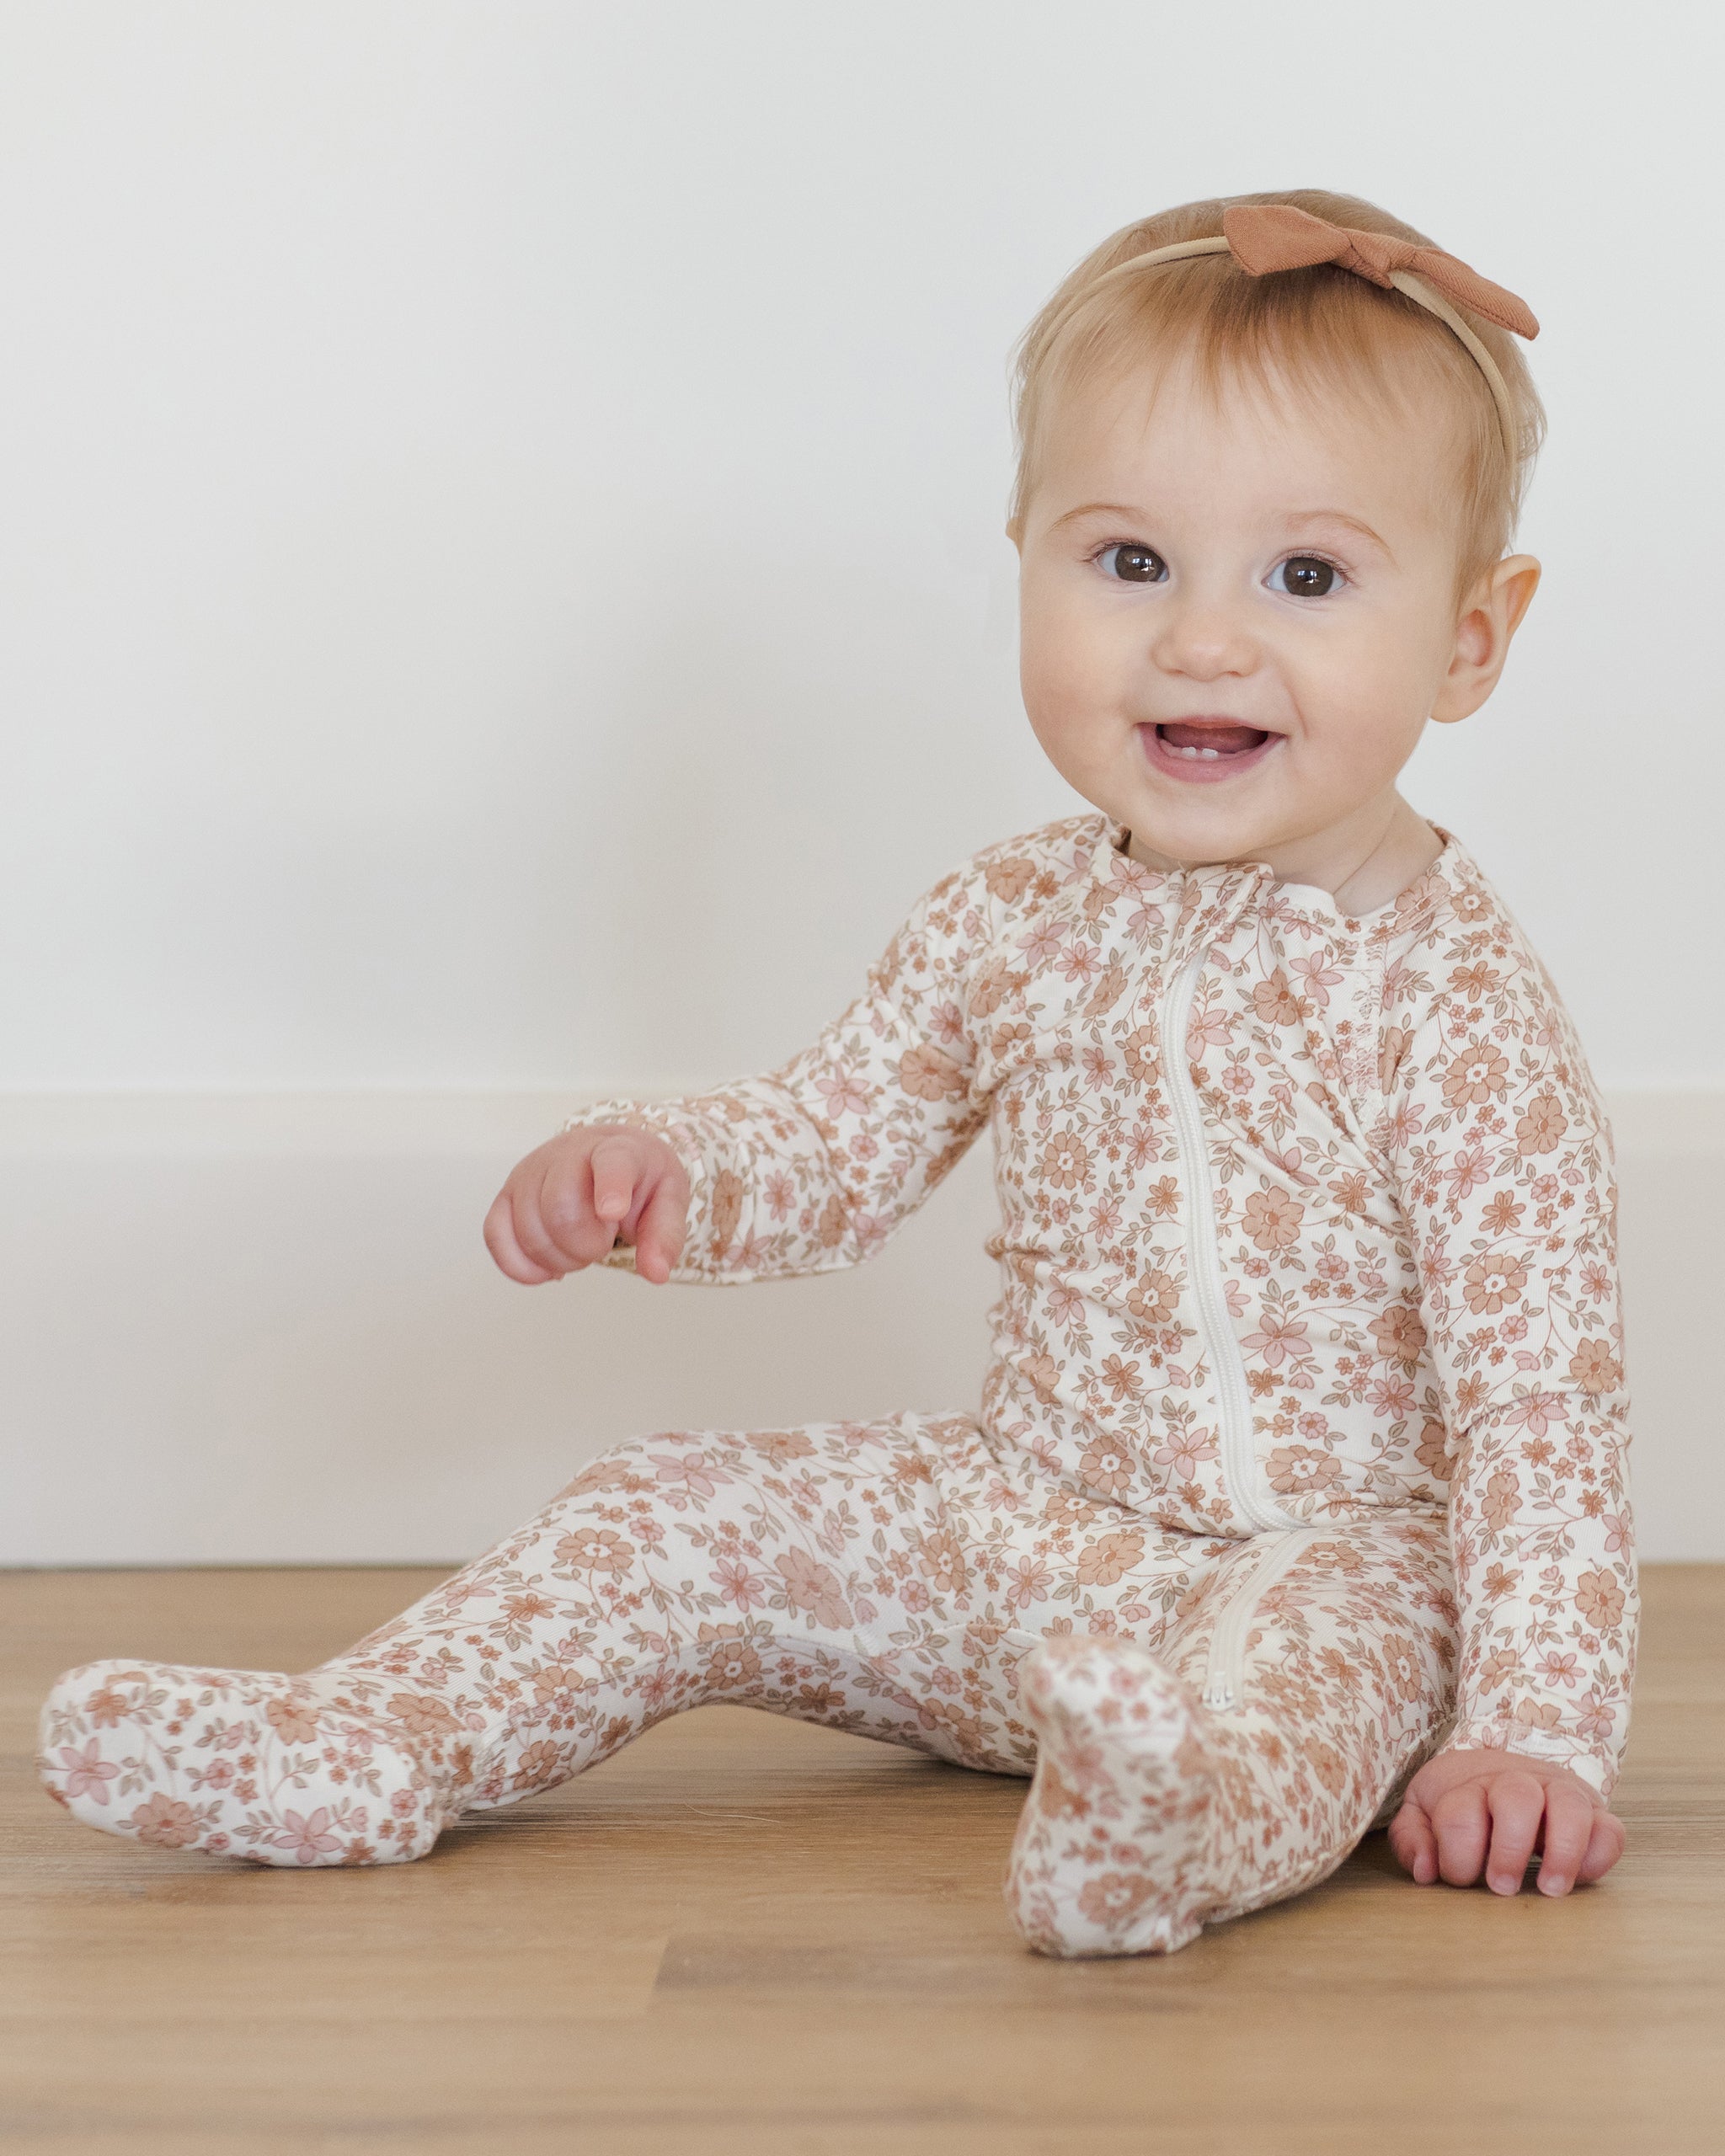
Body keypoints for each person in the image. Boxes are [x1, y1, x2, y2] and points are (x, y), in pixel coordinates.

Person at [38, 190, 1637, 1956]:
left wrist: (1533, 1729)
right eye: (1128, 562)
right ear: (1023, 560)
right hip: (1018, 1530)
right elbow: (837, 1136)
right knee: (668, 1499)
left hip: (1317, 1566)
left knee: (1311, 1683)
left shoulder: (1453, 1004)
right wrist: (669, 1164)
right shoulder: (1012, 915)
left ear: (1471, 639)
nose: (1199, 640)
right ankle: (368, 1740)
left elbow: (1540, 1401)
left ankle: (1166, 1821)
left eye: (1306, 577)